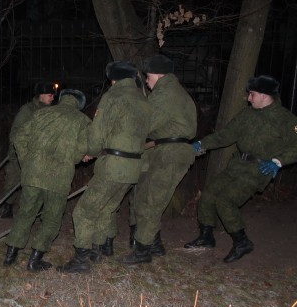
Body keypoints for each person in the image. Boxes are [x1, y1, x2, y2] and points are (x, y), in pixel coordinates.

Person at [184, 75, 297, 263]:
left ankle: (242, 241)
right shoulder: (247, 114)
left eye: (252, 94)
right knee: (209, 195)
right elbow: (227, 134)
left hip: (259, 169)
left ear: (264, 95)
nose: (248, 98)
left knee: (225, 201)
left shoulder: (286, 119)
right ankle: (206, 237)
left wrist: (279, 161)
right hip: (237, 164)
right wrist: (202, 144)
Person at [58, 61, 151, 274]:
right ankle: (96, 251)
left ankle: (81, 259)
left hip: (113, 166)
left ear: (113, 79)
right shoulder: (143, 100)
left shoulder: (113, 97)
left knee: (83, 211)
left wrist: (90, 150)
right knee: (105, 208)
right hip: (133, 167)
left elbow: (98, 132)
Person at [3, 89, 90, 271]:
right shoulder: (83, 121)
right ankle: (35, 259)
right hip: (58, 177)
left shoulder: (41, 113)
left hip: (33, 173)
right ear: (79, 103)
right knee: (51, 218)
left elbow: (19, 136)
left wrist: (27, 161)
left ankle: (10, 255)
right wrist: (71, 158)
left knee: (25, 212)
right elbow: (80, 151)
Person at [122, 54, 197, 265]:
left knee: (152, 201)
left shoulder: (166, 93)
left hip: (170, 152)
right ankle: (153, 243)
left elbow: (146, 122)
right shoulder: (174, 91)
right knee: (144, 194)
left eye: (148, 77)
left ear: (157, 75)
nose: (146, 81)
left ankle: (143, 251)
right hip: (162, 148)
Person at [0, 82, 57, 218]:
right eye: (50, 95)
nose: (53, 98)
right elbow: (15, 133)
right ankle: (7, 208)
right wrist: (18, 152)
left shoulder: (51, 112)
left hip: (40, 155)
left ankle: (37, 210)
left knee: (38, 183)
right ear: (41, 95)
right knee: (13, 180)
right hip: (21, 153)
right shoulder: (27, 110)